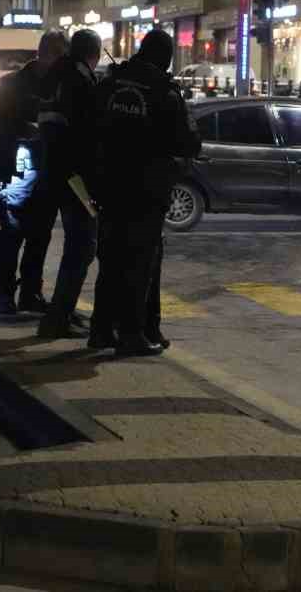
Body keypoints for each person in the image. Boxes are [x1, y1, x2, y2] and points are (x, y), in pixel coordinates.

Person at [90, 29, 200, 356]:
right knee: (140, 263)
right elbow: (188, 142)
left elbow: (90, 127)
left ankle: (101, 330)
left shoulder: (111, 83)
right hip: (145, 190)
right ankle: (132, 333)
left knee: (110, 260)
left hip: (109, 185)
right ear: (165, 58)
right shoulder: (164, 93)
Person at [0, 30, 67, 315]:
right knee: (13, 231)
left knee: (40, 234)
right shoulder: (13, 84)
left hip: (46, 166)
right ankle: (5, 294)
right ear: (49, 55)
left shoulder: (56, 84)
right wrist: (22, 130)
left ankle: (30, 293)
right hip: (19, 166)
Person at [34, 29, 103, 340]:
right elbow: (89, 132)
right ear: (95, 54)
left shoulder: (54, 75)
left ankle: (61, 310)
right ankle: (57, 318)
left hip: (52, 169)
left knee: (76, 245)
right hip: (75, 176)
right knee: (82, 246)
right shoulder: (81, 80)